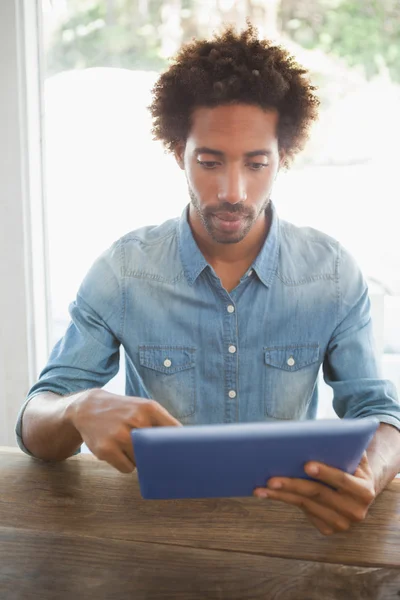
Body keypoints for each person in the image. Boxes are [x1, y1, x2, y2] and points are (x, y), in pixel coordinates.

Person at [16, 23, 400, 536]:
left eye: (257, 163)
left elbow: (380, 411)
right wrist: (77, 408)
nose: (233, 191)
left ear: (283, 157)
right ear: (179, 152)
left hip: (288, 540)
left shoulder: (331, 274)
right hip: (156, 540)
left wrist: (370, 474)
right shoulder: (124, 270)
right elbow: (35, 425)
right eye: (210, 162)